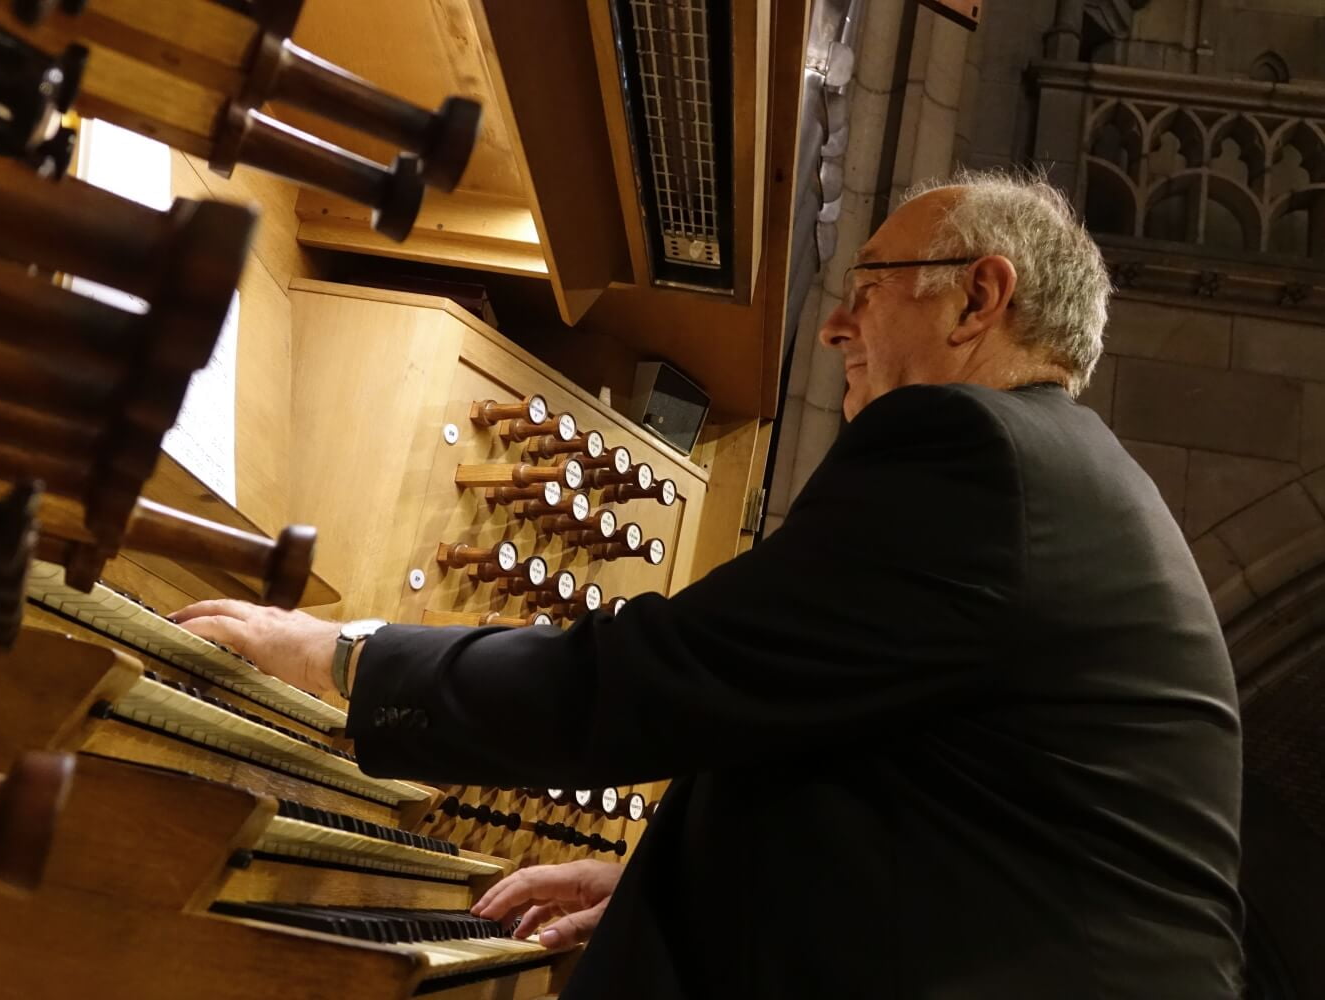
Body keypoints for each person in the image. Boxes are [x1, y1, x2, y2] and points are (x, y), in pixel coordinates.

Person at [174, 170, 1244, 999]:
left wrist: (343, 656)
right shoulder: (1064, 481)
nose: (833, 328)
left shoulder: (976, 452)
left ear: (979, 295)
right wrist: (673, 878)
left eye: (864, 288)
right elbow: (916, 799)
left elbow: (666, 676)